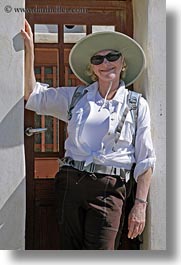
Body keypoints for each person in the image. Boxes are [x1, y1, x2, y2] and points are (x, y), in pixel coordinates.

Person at [21, 20, 156, 250]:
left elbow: (146, 160)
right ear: (92, 68)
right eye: (98, 59)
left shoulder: (136, 104)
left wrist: (140, 205)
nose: (106, 63)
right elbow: (34, 97)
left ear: (123, 62)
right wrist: (29, 51)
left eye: (112, 56)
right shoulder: (77, 97)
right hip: (70, 184)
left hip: (110, 189)